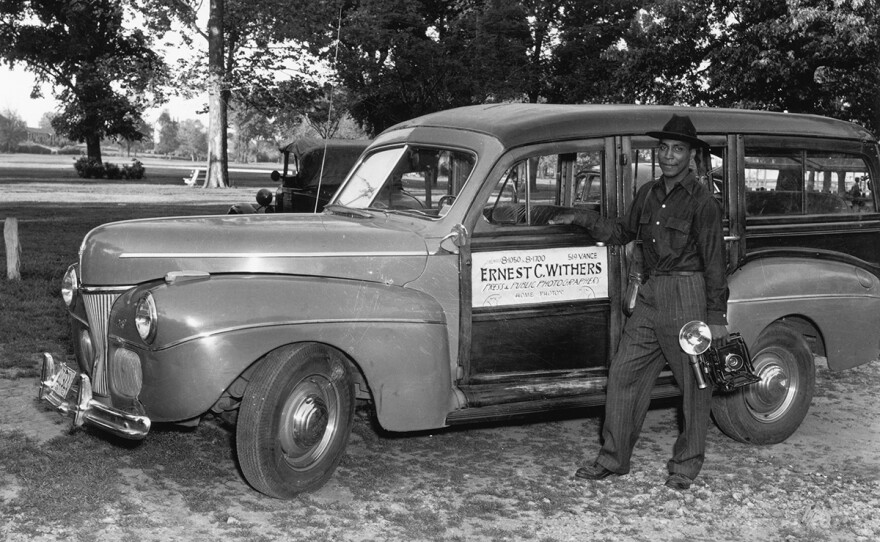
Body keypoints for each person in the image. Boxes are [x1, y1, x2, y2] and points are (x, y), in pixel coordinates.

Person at [550, 114, 730, 491]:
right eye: (663, 148)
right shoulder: (648, 193)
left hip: (688, 296)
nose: (668, 156)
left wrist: (716, 318)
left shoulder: (703, 202)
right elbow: (621, 232)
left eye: (677, 149)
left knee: (696, 385)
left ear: (692, 155)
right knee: (624, 373)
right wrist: (580, 218)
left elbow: (715, 264)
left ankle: (685, 466)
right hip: (651, 294)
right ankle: (613, 459)